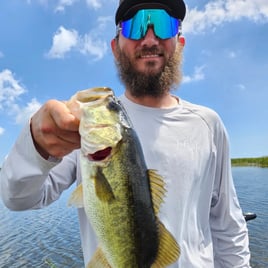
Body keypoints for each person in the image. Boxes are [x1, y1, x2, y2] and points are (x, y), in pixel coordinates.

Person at [0, 0, 251, 267]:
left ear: (180, 42)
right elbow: (17, 198)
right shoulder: (81, 132)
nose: (150, 39)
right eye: (135, 26)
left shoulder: (208, 124)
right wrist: (36, 146)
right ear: (115, 47)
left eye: (164, 25)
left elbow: (228, 226)